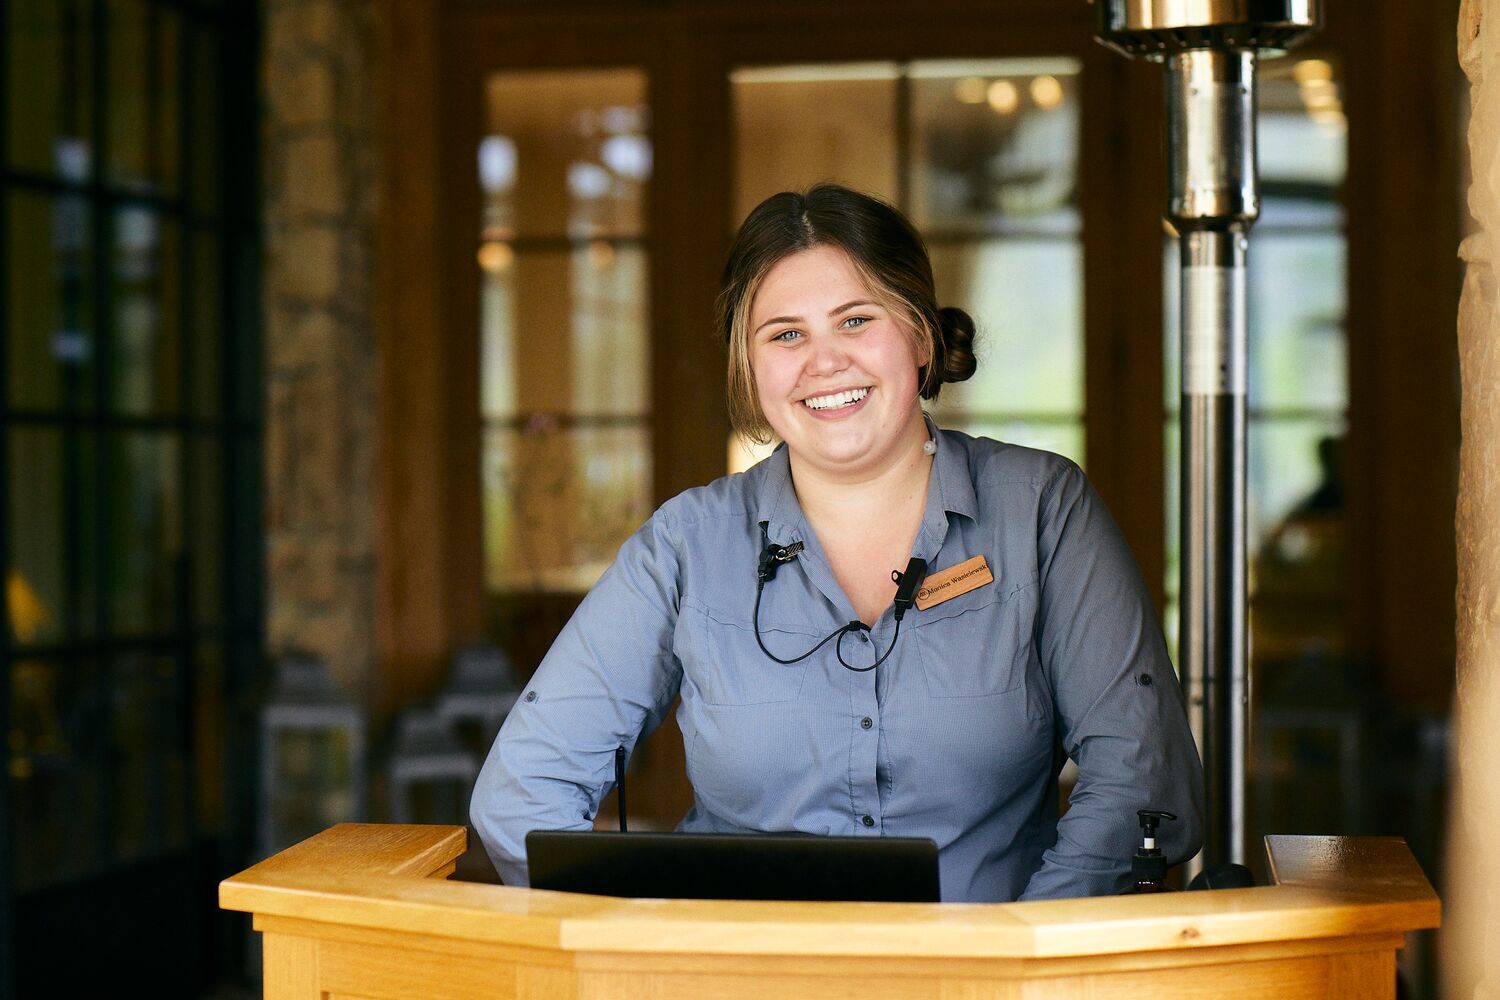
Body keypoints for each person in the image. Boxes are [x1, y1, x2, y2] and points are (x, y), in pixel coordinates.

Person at [471, 183, 1203, 901]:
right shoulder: (687, 545)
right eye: (785, 334)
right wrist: (647, 949)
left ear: (920, 335)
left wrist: (1018, 952)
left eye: (855, 321)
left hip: (991, 967)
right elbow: (521, 794)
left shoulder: (1041, 509)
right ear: (749, 365)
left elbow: (1144, 782)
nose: (824, 362)